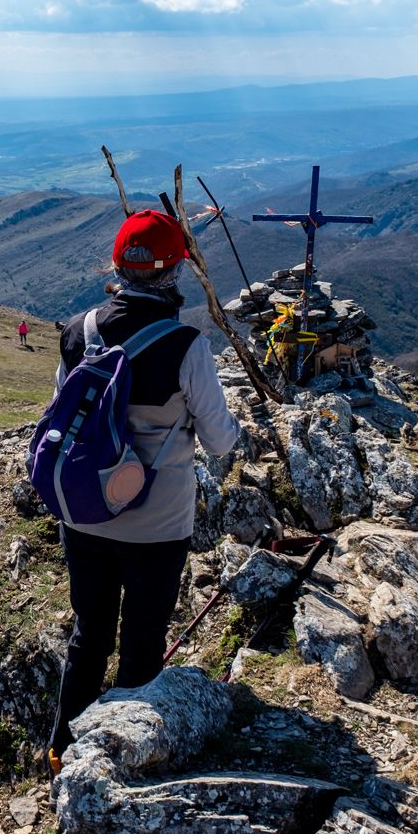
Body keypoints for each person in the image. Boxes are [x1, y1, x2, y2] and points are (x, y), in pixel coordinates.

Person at [45, 209, 242, 775]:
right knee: (142, 641)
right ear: (175, 270)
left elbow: (60, 414)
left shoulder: (78, 331)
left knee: (89, 635)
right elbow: (220, 441)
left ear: (116, 266)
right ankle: (126, 765)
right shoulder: (186, 345)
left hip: (84, 514)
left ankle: (62, 753)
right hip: (157, 525)